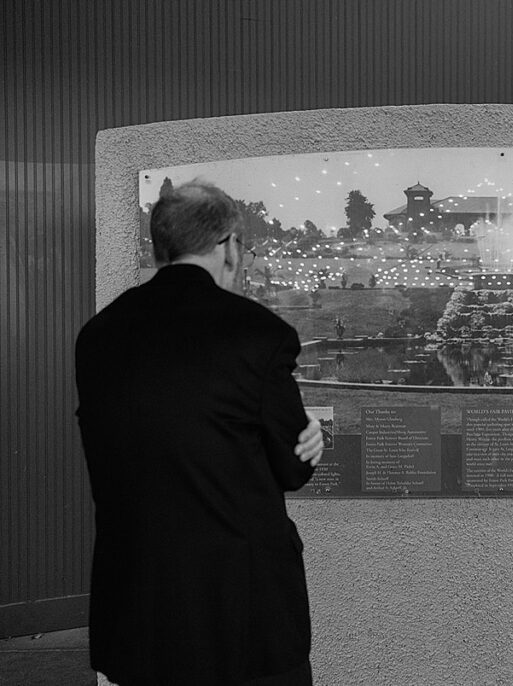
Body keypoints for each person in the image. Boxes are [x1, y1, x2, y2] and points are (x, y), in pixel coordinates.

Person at [76, 180, 325, 685]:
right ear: (228, 246)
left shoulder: (99, 335)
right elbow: (292, 467)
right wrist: (310, 443)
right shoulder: (257, 333)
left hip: (137, 607)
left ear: (161, 246)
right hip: (240, 613)